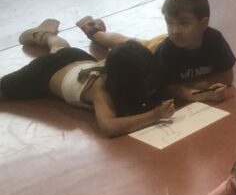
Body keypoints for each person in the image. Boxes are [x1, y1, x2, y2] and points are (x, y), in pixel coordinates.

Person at [1, 19, 175, 137]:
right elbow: (108, 127)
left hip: (78, 58)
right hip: (46, 71)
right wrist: (154, 115)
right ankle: (44, 35)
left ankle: (46, 35)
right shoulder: (100, 88)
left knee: (60, 50)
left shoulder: (128, 72)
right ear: (126, 80)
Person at [76, 0, 235, 105]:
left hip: (171, 41)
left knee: (129, 40)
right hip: (152, 49)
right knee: (125, 43)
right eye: (169, 23)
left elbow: (227, 77)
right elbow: (171, 89)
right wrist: (202, 93)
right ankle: (94, 32)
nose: (175, 30)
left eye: (184, 23)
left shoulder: (214, 39)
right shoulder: (167, 51)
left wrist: (194, 87)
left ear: (203, 24)